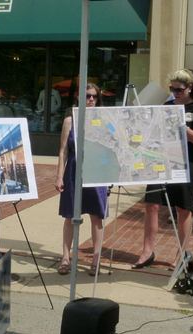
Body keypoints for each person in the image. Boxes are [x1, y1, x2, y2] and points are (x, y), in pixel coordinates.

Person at [133, 69, 193, 269]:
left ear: (190, 88)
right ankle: (147, 251)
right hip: (160, 161)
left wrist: (180, 124)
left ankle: (181, 254)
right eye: (172, 89)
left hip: (184, 163)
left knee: (183, 209)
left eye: (179, 89)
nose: (175, 93)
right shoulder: (167, 105)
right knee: (152, 205)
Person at [55, 83, 107, 276]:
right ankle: (66, 257)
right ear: (78, 97)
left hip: (96, 171)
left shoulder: (103, 119)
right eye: (87, 96)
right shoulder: (70, 120)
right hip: (74, 171)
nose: (91, 99)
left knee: (97, 217)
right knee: (70, 216)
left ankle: (96, 259)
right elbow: (63, 151)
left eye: (94, 96)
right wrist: (59, 176)